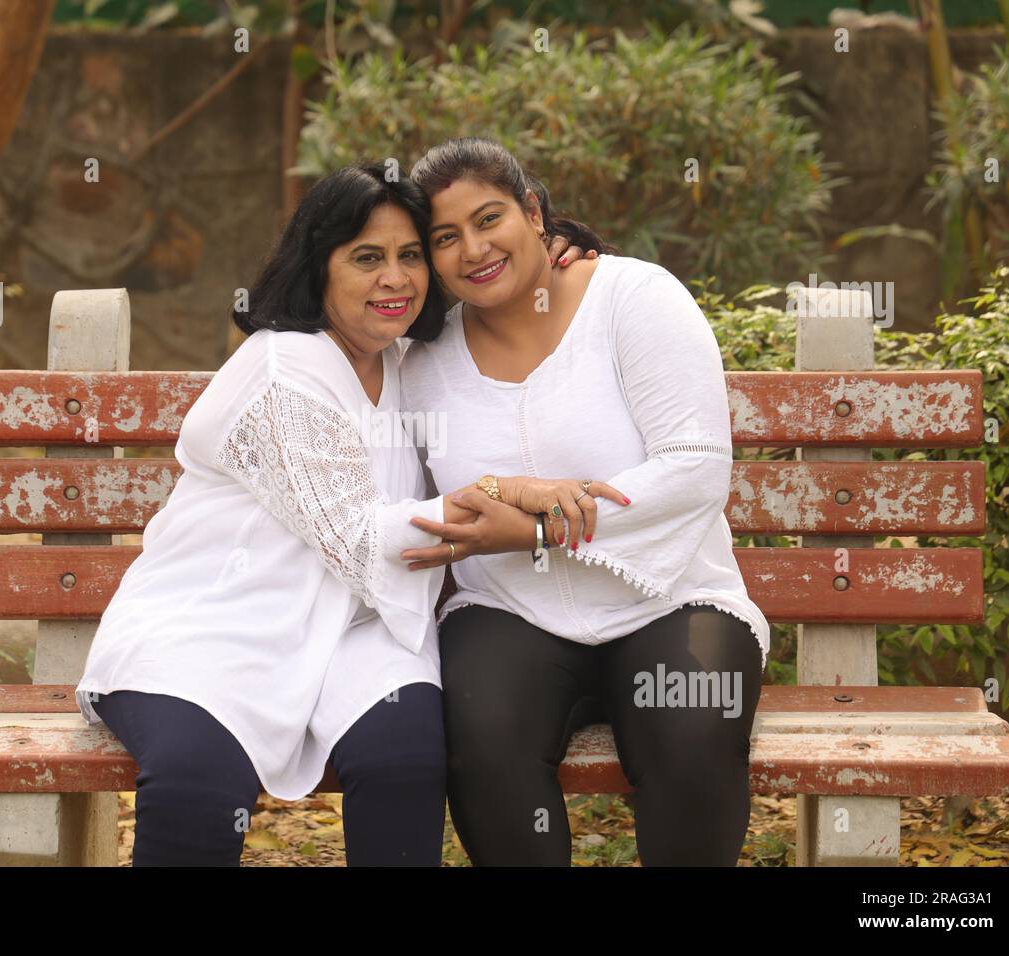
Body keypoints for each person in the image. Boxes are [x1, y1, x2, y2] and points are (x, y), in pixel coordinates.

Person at [73, 162, 622, 866]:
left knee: (405, 758)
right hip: (213, 628)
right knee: (199, 782)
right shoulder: (282, 372)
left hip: (358, 631)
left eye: (411, 256)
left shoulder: (408, 361)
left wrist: (557, 249)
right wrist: (511, 496)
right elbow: (358, 537)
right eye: (367, 259)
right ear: (318, 266)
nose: (395, 278)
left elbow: (496, 281)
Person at [397, 137, 771, 866]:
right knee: (481, 744)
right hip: (511, 612)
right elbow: (411, 503)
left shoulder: (635, 299)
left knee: (692, 736)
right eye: (445, 238)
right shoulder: (425, 361)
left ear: (534, 212)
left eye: (489, 218)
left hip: (674, 600)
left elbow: (696, 467)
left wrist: (536, 530)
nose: (473, 249)